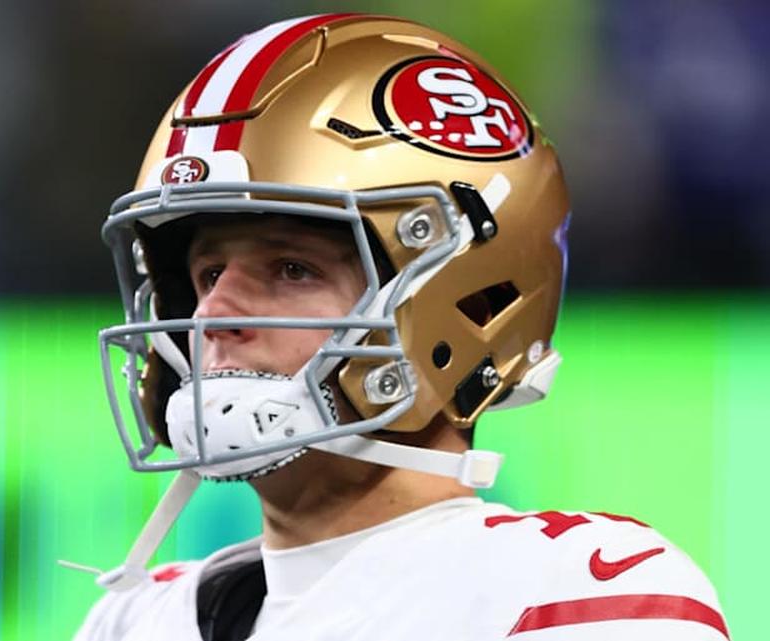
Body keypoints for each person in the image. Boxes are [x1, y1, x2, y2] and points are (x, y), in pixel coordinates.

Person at [71, 13, 728, 640]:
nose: (212, 314)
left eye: (291, 268)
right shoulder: (134, 620)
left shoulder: (565, 595)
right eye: (208, 273)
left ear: (465, 302)